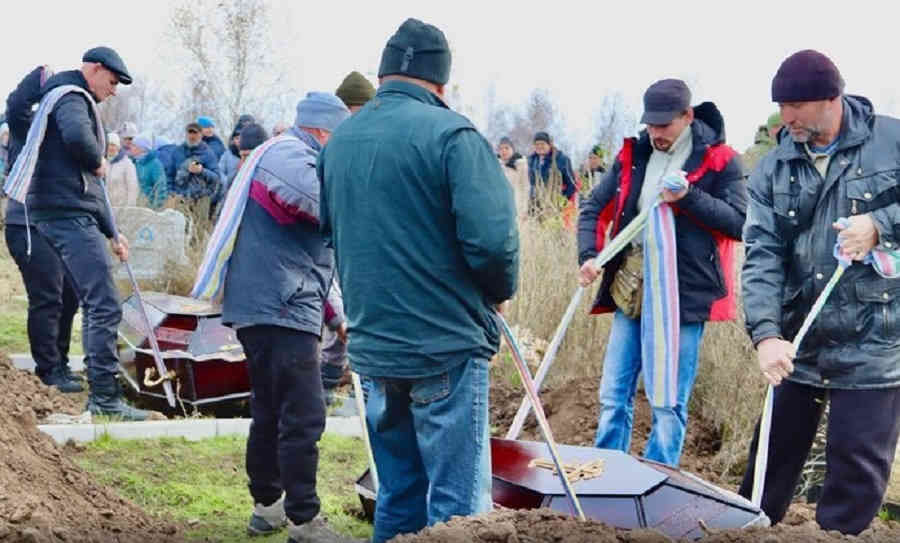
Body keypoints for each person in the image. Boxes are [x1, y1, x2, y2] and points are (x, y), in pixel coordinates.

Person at [318, 18, 519, 543]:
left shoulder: (338, 143)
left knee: (399, 494)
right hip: (444, 346)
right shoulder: (454, 135)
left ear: (382, 76)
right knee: (457, 508)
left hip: (374, 348)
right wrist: (498, 293)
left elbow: (332, 231)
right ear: (441, 83)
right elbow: (493, 243)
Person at [739, 49, 900, 535]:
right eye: (781, 106)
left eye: (796, 106)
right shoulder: (774, 166)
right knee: (768, 462)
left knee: (856, 472)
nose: (785, 117)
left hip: (876, 338)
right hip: (798, 338)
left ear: (833, 98)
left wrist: (880, 226)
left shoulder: (891, 141)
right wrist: (766, 334)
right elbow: (761, 254)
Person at [200, 92, 351, 542]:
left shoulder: (290, 155)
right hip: (279, 308)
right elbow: (325, 209)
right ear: (325, 131)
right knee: (304, 414)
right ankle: (304, 520)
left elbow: (304, 251)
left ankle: (267, 509)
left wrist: (334, 313)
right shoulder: (290, 156)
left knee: (270, 410)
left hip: (274, 304)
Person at [577, 78, 747, 467]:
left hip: (683, 295)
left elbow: (739, 223)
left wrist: (689, 197)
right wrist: (589, 254)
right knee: (612, 393)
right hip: (631, 288)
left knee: (669, 400)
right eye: (650, 125)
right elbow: (592, 208)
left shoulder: (721, 160)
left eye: (664, 125)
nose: (656, 133)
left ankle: (659, 476)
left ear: (686, 116)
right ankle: (605, 473)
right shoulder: (633, 155)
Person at [4, 47, 153, 420]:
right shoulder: (72, 97)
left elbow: (91, 188)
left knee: (85, 298)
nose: (115, 90)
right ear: (94, 69)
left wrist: (113, 233)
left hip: (66, 212)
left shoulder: (70, 99)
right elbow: (80, 145)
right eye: (113, 81)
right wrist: (96, 158)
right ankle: (103, 396)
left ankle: (93, 382)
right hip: (63, 215)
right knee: (101, 302)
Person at [3, 64, 82, 393]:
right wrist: (41, 76)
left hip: (57, 227)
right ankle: (48, 369)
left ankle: (60, 362)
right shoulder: (28, 126)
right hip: (27, 224)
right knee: (48, 296)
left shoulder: (65, 132)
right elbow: (17, 103)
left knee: (70, 295)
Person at [527, 131, 578, 227]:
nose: (539, 147)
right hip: (537, 207)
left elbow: (572, 185)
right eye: (536, 144)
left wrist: (561, 201)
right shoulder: (532, 160)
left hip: (555, 207)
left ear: (549, 144)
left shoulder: (561, 159)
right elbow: (533, 185)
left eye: (542, 144)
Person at [167, 121, 221, 202]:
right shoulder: (177, 152)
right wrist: (171, 193)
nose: (192, 136)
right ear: (186, 134)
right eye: (190, 132)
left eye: (195, 133)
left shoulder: (208, 153)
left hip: (200, 201)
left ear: (201, 135)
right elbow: (169, 176)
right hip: (179, 200)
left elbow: (217, 178)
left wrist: (201, 171)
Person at [128, 134, 168, 207]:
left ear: (142, 148)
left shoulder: (155, 164)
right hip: (134, 205)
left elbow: (160, 187)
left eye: (134, 146)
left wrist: (155, 208)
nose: (130, 147)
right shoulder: (133, 162)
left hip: (148, 206)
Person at [105, 132, 139, 206]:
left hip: (122, 207)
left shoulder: (127, 163)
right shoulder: (103, 163)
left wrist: (130, 207)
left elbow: (132, 187)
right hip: (107, 207)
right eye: (108, 145)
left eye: (113, 145)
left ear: (118, 147)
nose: (110, 148)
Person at [497, 136, 528, 214]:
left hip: (518, 204)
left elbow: (525, 187)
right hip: (500, 206)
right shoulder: (495, 165)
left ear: (512, 150)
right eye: (501, 149)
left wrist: (525, 208)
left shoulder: (522, 164)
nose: (503, 151)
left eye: (506, 148)